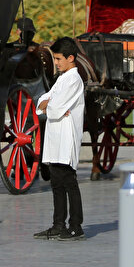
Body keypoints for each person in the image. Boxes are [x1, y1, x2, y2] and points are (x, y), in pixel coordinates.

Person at [33, 37, 86, 242]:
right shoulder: (62, 78)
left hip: (66, 137)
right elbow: (43, 102)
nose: (55, 63)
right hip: (55, 136)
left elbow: (53, 108)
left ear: (71, 58)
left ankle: (76, 226)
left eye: (58, 58)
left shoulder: (74, 79)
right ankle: (58, 224)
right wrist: (50, 104)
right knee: (56, 181)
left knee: (68, 181)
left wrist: (51, 104)